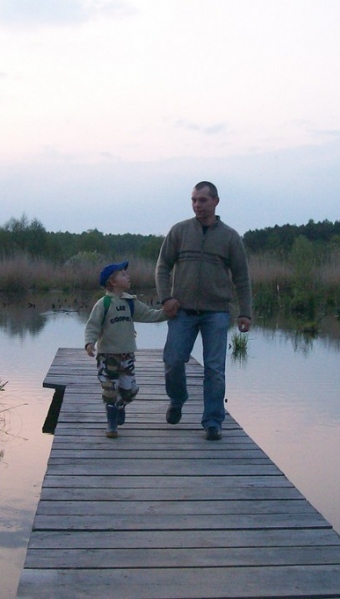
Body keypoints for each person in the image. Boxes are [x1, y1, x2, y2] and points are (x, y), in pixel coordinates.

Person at [155, 181, 253, 441]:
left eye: (202, 200)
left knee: (214, 369)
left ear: (215, 202)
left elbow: (242, 278)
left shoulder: (230, 237)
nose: (197, 205)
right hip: (182, 311)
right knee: (173, 361)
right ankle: (177, 399)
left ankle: (212, 421)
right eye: (194, 200)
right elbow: (162, 267)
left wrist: (246, 312)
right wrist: (166, 298)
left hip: (217, 313)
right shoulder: (179, 231)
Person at [85, 260, 168, 438]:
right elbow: (92, 326)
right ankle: (112, 425)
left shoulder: (131, 303)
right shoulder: (104, 304)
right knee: (110, 389)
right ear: (112, 281)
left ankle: (120, 405)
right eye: (123, 274)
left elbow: (149, 314)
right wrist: (89, 343)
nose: (128, 276)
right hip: (108, 356)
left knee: (130, 390)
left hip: (127, 355)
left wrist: (167, 312)